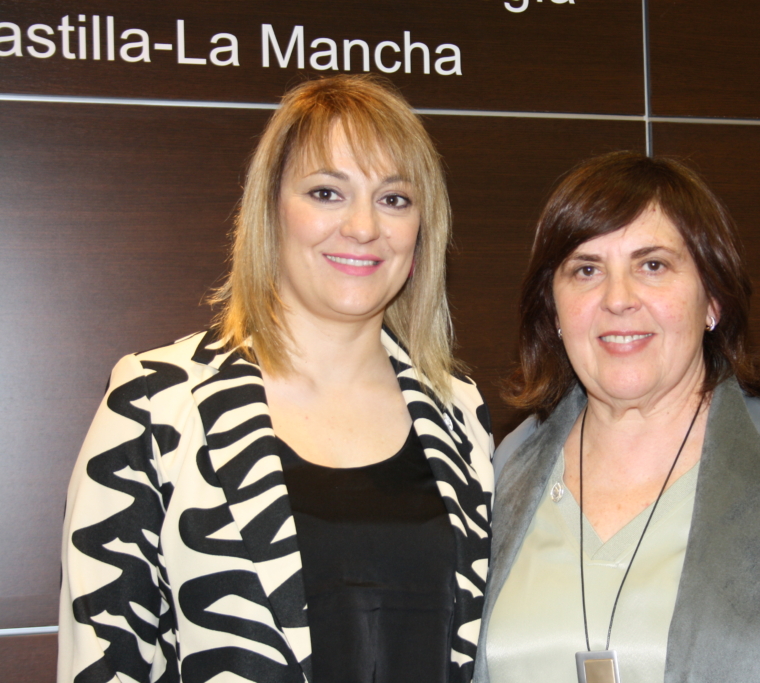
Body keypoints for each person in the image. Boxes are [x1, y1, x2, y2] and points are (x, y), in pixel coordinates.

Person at [58, 75, 493, 683]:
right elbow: (104, 662)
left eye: (394, 199)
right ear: (270, 211)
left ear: (423, 229)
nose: (363, 226)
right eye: (326, 192)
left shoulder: (459, 412)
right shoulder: (155, 404)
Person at [475, 151, 760, 683]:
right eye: (587, 270)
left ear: (712, 298)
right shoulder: (507, 464)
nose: (618, 299)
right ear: (554, 309)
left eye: (652, 265)